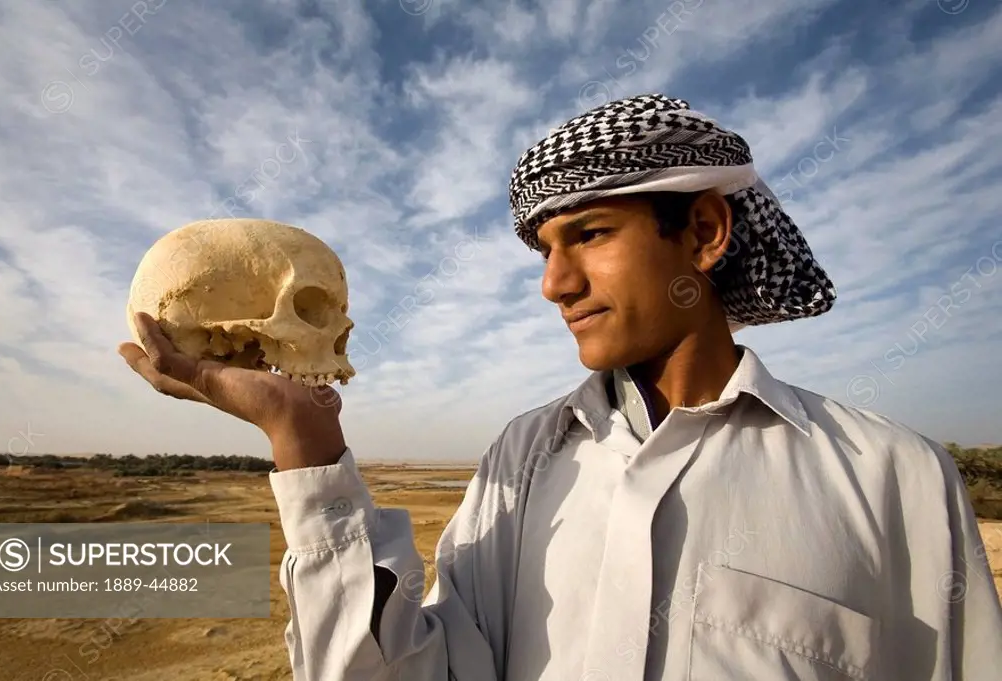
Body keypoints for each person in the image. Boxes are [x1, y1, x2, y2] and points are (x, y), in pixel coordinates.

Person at [119, 94, 1002, 680]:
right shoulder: (521, 462)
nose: (554, 283)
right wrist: (305, 445)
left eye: (590, 234)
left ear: (703, 230)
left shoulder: (896, 481)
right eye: (545, 249)